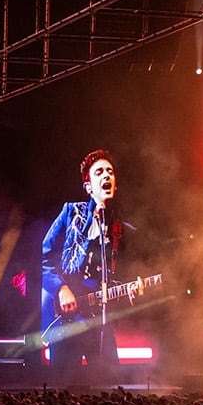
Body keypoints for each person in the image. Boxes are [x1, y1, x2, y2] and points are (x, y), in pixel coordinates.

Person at [40, 149, 123, 370]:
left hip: (100, 316)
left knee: (108, 380)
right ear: (88, 187)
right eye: (99, 172)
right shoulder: (70, 212)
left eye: (110, 172)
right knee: (65, 378)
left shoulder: (119, 229)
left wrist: (127, 291)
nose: (106, 176)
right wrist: (61, 289)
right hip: (68, 314)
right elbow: (43, 257)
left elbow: (118, 274)